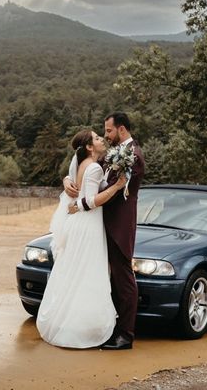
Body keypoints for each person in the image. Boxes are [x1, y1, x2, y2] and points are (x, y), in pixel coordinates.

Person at [36, 129, 126, 349]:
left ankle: (66, 324)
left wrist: (67, 180)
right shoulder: (94, 167)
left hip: (77, 224)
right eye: (96, 138)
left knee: (74, 272)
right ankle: (83, 330)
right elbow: (92, 200)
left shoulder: (78, 164)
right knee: (88, 273)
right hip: (88, 225)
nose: (101, 140)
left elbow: (73, 184)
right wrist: (117, 186)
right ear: (88, 147)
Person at [64, 112, 145, 350]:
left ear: (121, 130)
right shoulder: (113, 154)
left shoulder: (134, 157)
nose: (106, 135)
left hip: (119, 226)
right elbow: (87, 169)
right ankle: (108, 328)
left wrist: (80, 205)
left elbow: (112, 193)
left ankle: (125, 335)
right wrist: (66, 179)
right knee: (107, 279)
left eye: (108, 131)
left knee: (123, 281)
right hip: (102, 225)